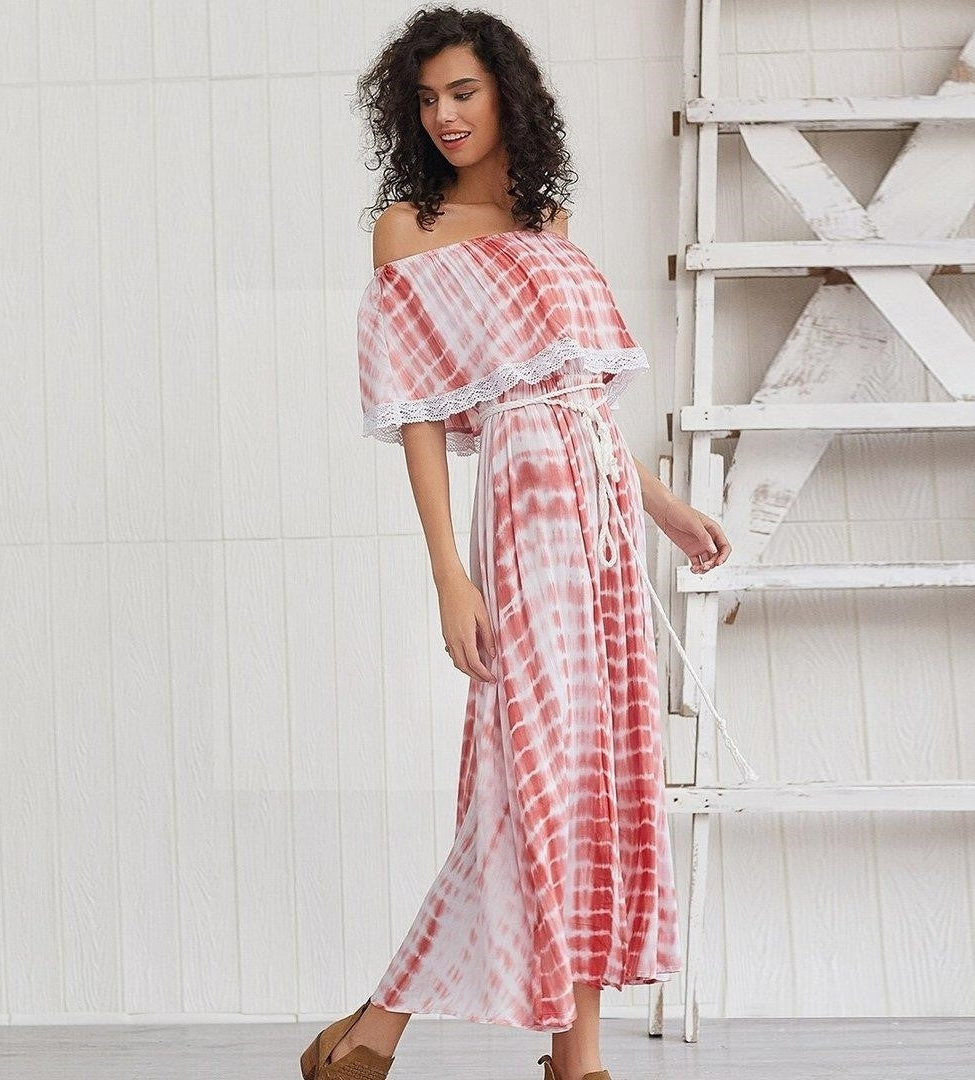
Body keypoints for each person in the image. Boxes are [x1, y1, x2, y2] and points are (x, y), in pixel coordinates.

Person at [302, 7, 738, 1080]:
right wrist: (448, 576)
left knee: (593, 768)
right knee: (531, 765)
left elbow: (580, 395)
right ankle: (418, 1028)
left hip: (602, 517)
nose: (444, 116)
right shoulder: (407, 229)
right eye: (426, 100)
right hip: (523, 509)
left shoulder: (550, 221)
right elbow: (417, 413)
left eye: (463, 92)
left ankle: (548, 1052)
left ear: (506, 94)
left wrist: (664, 507)